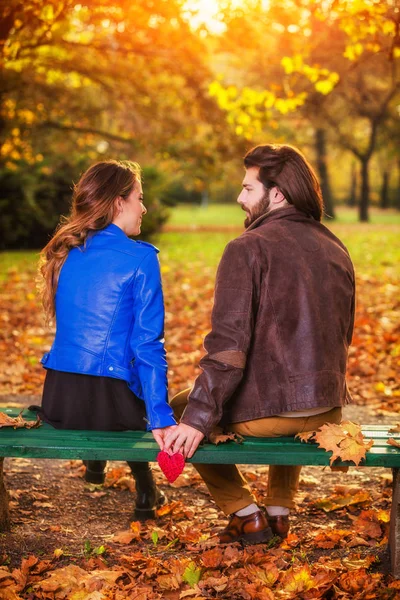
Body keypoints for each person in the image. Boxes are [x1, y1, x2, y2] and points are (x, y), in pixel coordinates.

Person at [164, 144, 355, 544]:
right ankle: (280, 512)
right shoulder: (336, 247)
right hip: (328, 411)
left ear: (278, 194)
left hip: (273, 416)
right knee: (285, 395)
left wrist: (197, 420)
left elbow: (227, 350)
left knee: (182, 408)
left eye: (248, 189)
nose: (239, 198)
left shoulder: (246, 248)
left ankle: (245, 513)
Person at [37, 159, 177, 520]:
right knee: (130, 395)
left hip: (61, 400)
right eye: (139, 198)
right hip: (110, 403)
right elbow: (148, 345)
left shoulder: (67, 251)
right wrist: (160, 416)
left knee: (110, 387)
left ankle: (95, 465)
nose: (143, 208)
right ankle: (146, 490)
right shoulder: (141, 258)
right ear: (119, 202)